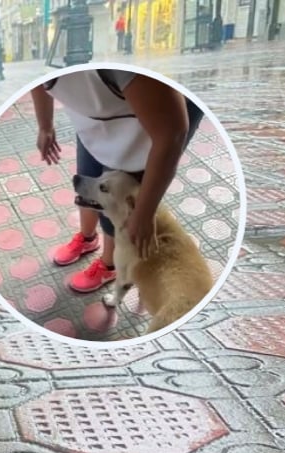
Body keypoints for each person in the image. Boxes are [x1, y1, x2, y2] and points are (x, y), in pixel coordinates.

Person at [31, 69, 205, 293]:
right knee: (90, 179)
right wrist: (45, 125)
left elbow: (171, 135)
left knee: (117, 200)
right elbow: (38, 79)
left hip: (154, 120)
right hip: (100, 112)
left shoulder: (120, 69)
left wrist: (144, 213)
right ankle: (87, 238)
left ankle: (110, 264)